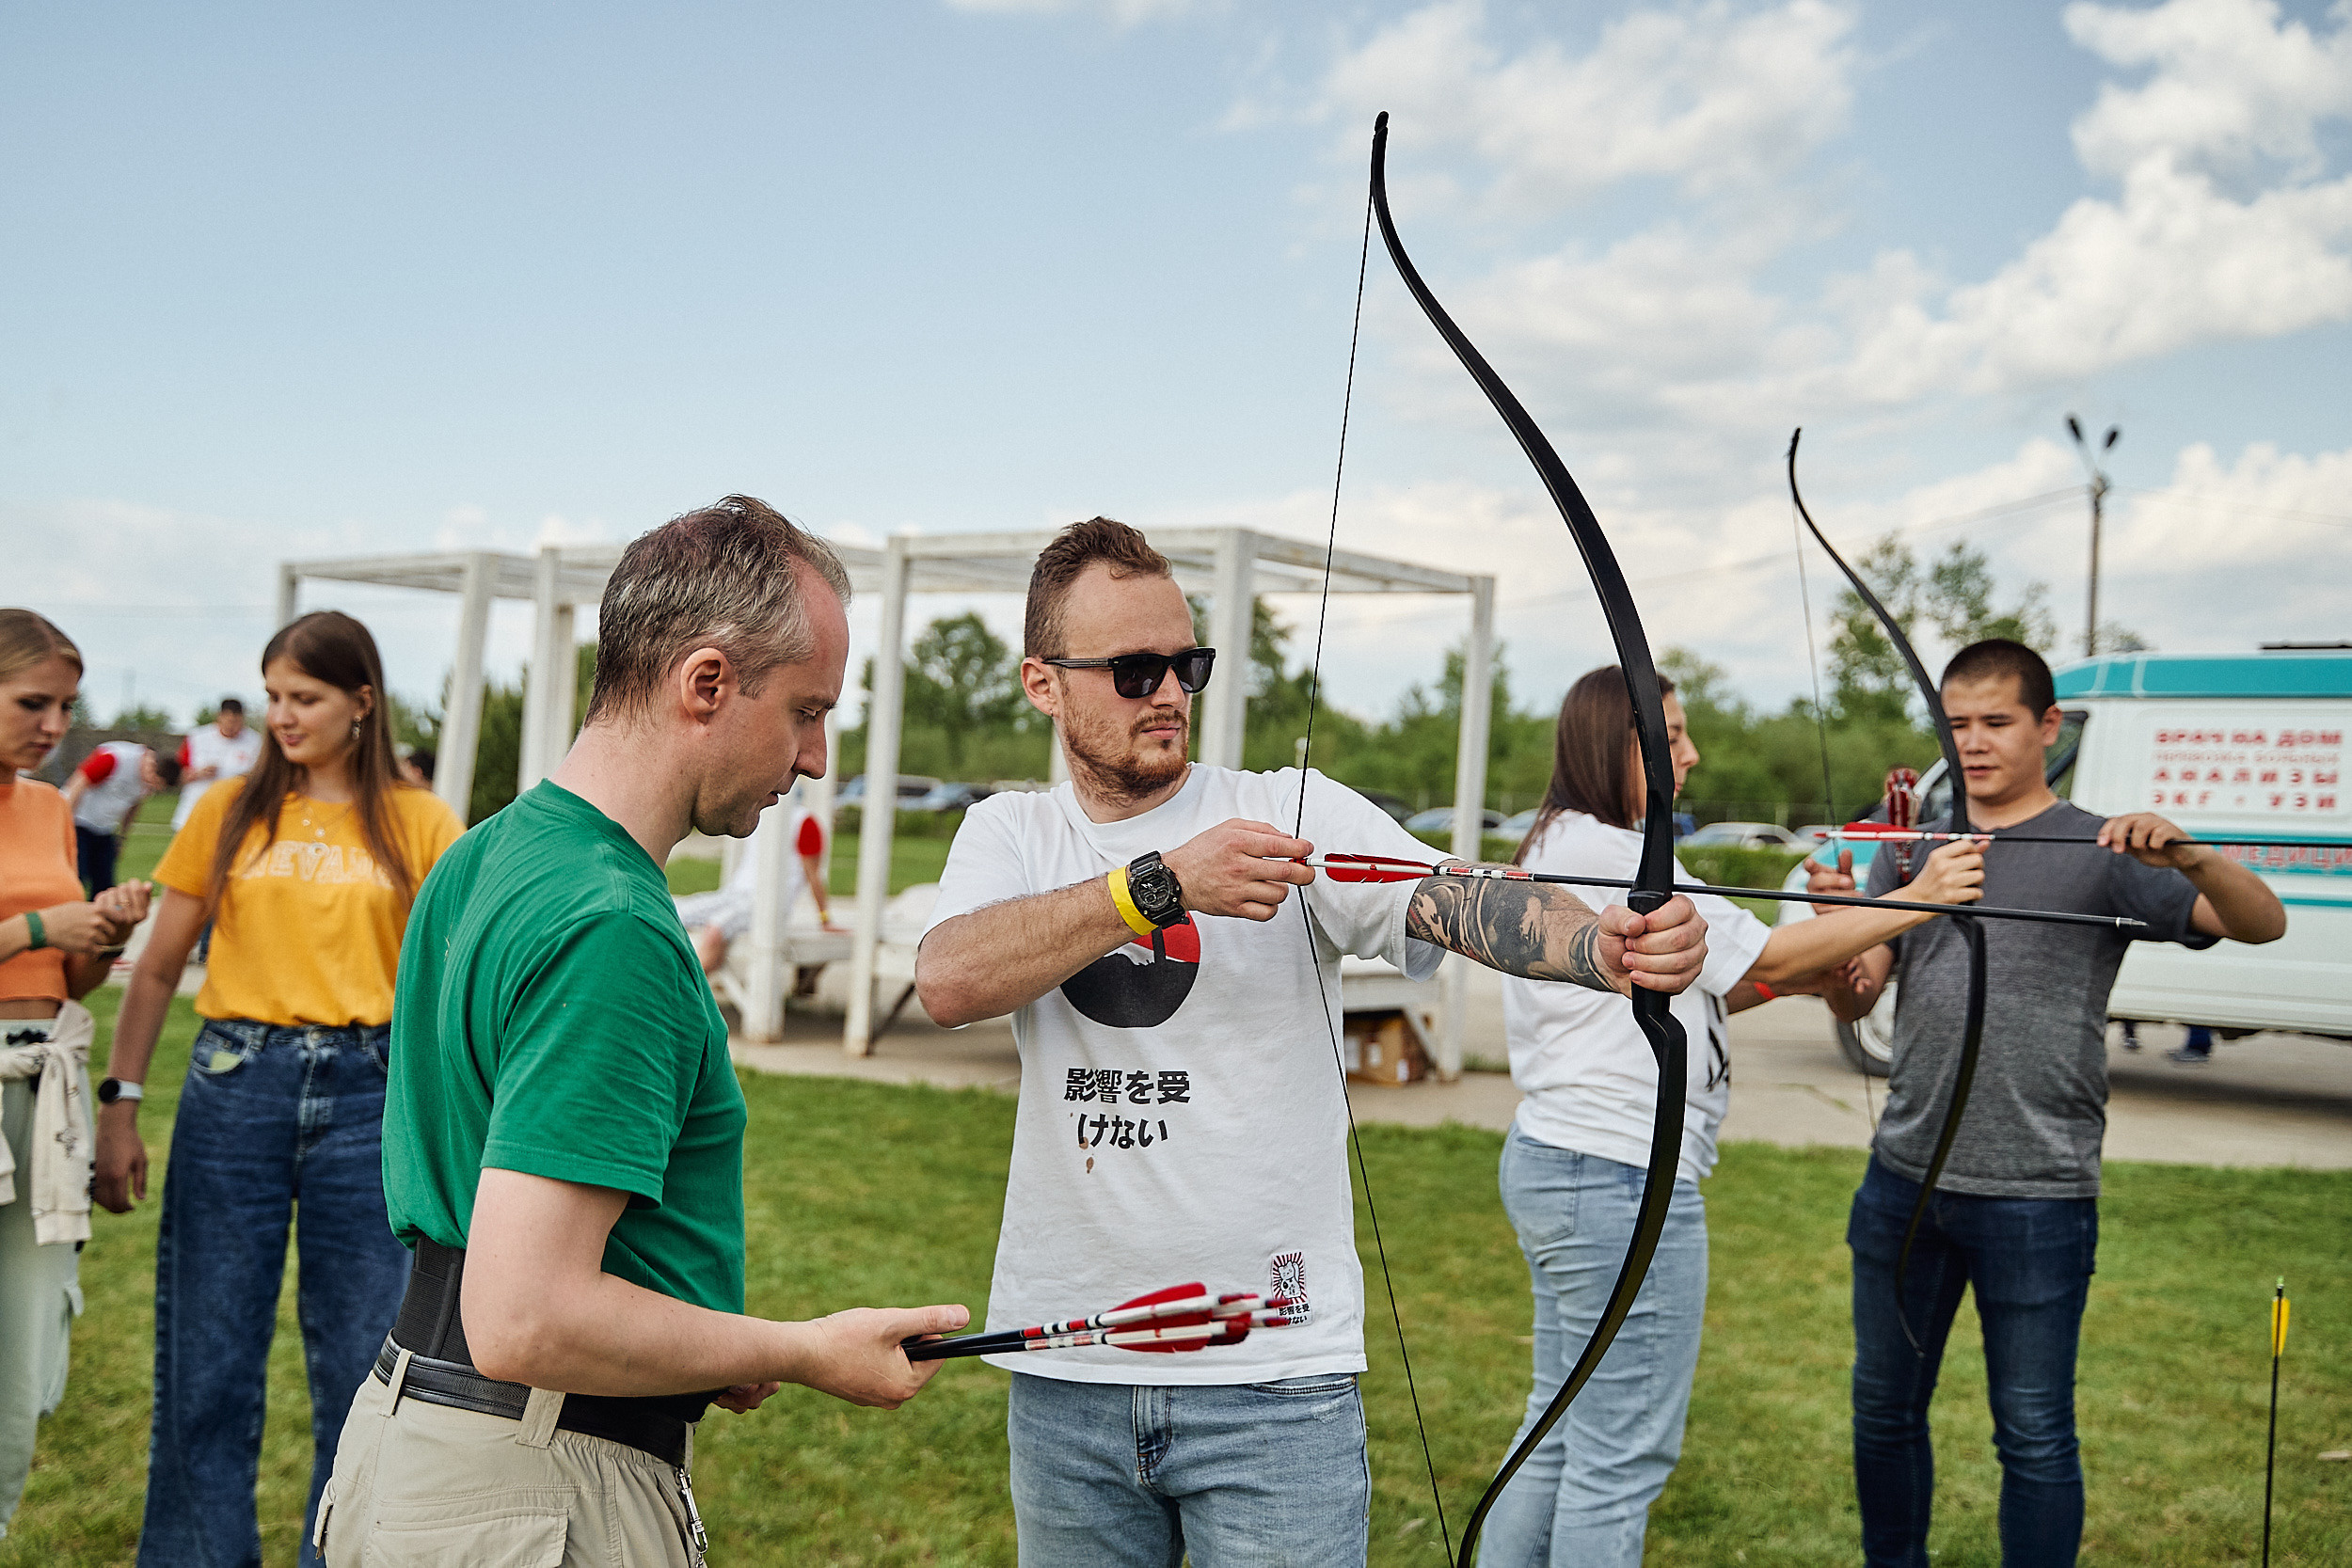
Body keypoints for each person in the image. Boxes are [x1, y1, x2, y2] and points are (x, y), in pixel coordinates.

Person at [914, 518, 1710, 1567]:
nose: (1167, 691)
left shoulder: (1284, 812)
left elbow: (1446, 896)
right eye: (1132, 668)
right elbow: (950, 976)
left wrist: (1597, 944)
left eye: (1185, 664)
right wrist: (1159, 883)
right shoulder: (1012, 834)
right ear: (1042, 683)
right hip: (1069, 1365)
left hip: (1272, 1375)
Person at [320, 497, 966, 1568]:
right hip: (532, 1477)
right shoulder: (614, 924)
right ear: (705, 681)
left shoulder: (483, 853)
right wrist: (799, 1349)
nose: (812, 758)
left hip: (411, 1438)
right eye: (805, 710)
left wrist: (692, 1346)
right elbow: (526, 1315)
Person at [1481, 664, 1990, 1564]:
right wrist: (1916, 899)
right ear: (1620, 743)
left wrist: (1841, 938)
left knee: (1560, 1428)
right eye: (1671, 737)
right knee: (1618, 1454)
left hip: (1568, 1165)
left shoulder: (1572, 838)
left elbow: (1727, 979)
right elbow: (1774, 950)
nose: (1693, 754)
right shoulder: (1614, 851)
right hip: (1621, 1177)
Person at [1808, 639, 2285, 1567]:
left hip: (2038, 1192)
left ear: (2046, 725)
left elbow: (2259, 921)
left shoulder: (2101, 846)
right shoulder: (1912, 847)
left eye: (1996, 720)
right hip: (1904, 1177)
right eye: (1957, 722)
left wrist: (2190, 856)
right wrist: (1836, 939)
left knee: (2031, 1431)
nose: (1973, 741)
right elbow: (1857, 992)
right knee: (1882, 1409)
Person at [93, 611, 465, 1568]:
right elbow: (155, 966)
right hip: (234, 1086)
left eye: (305, 697)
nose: (282, 715)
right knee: (208, 1359)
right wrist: (120, 1099)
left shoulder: (422, 821)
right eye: (272, 697)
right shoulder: (227, 810)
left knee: (360, 1366)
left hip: (369, 1096)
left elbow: (450, 986)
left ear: (362, 702)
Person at [0, 610, 151, 1541]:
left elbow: (66, 974)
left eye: (66, 705)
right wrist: (37, 928)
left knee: (23, 1357)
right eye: (32, 702)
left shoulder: (50, 806)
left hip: (41, 1095)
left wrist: (104, 934)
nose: (56, 726)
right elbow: (33, 939)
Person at [673, 797, 834, 975]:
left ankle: (682, 995)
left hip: (767, 904)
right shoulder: (757, 815)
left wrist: (824, 918)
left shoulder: (805, 822)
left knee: (717, 928)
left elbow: (814, 876)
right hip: (735, 893)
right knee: (675, 913)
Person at [62, 737, 178, 895]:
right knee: (76, 877)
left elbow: (134, 805)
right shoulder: (115, 759)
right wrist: (64, 826)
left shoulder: (147, 779)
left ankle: (99, 919)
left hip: (104, 828)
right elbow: (77, 785)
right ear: (152, 765)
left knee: (105, 885)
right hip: (78, 823)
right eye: (153, 782)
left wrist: (122, 837)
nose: (150, 788)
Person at [173, 698, 263, 830]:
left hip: (233, 812)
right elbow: (177, 775)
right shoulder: (197, 738)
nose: (231, 726)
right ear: (219, 717)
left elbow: (261, 775)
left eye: (236, 721)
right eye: (228, 720)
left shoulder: (255, 742)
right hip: (196, 808)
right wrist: (197, 774)